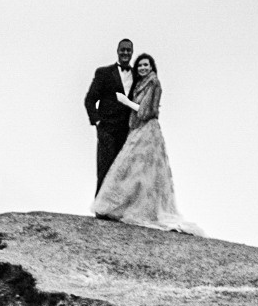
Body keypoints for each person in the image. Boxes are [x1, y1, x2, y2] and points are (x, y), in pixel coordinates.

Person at [92, 53, 195, 230]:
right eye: (140, 66)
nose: (142, 68)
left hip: (147, 131)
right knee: (134, 172)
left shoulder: (153, 83)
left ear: (152, 67)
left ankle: (137, 210)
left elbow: (146, 111)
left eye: (146, 65)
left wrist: (126, 102)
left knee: (140, 171)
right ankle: (125, 208)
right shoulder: (141, 83)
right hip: (138, 129)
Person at [84, 39, 136, 192]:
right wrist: (98, 122)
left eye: (128, 50)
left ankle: (117, 209)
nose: (125, 53)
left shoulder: (137, 76)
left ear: (132, 52)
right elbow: (90, 100)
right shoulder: (104, 73)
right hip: (107, 129)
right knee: (105, 168)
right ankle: (100, 208)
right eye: (123, 50)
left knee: (124, 171)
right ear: (117, 51)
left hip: (127, 131)